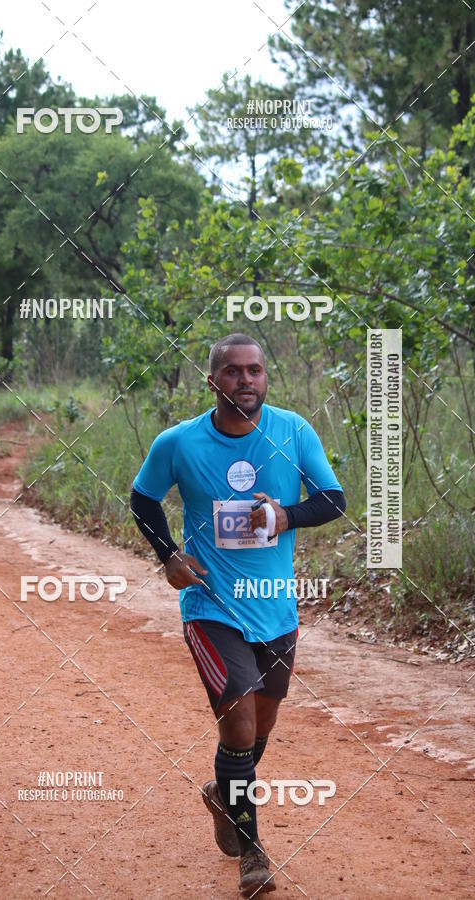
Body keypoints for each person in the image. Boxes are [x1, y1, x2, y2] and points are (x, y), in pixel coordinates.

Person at [130, 333, 345, 896]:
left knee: (260, 730)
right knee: (241, 724)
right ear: (213, 380)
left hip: (276, 609)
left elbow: (333, 498)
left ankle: (226, 795)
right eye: (233, 371)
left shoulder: (293, 431)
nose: (246, 380)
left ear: (265, 378)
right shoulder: (179, 443)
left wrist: (285, 516)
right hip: (210, 607)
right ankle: (253, 854)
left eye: (255, 371)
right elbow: (143, 498)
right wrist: (169, 556)